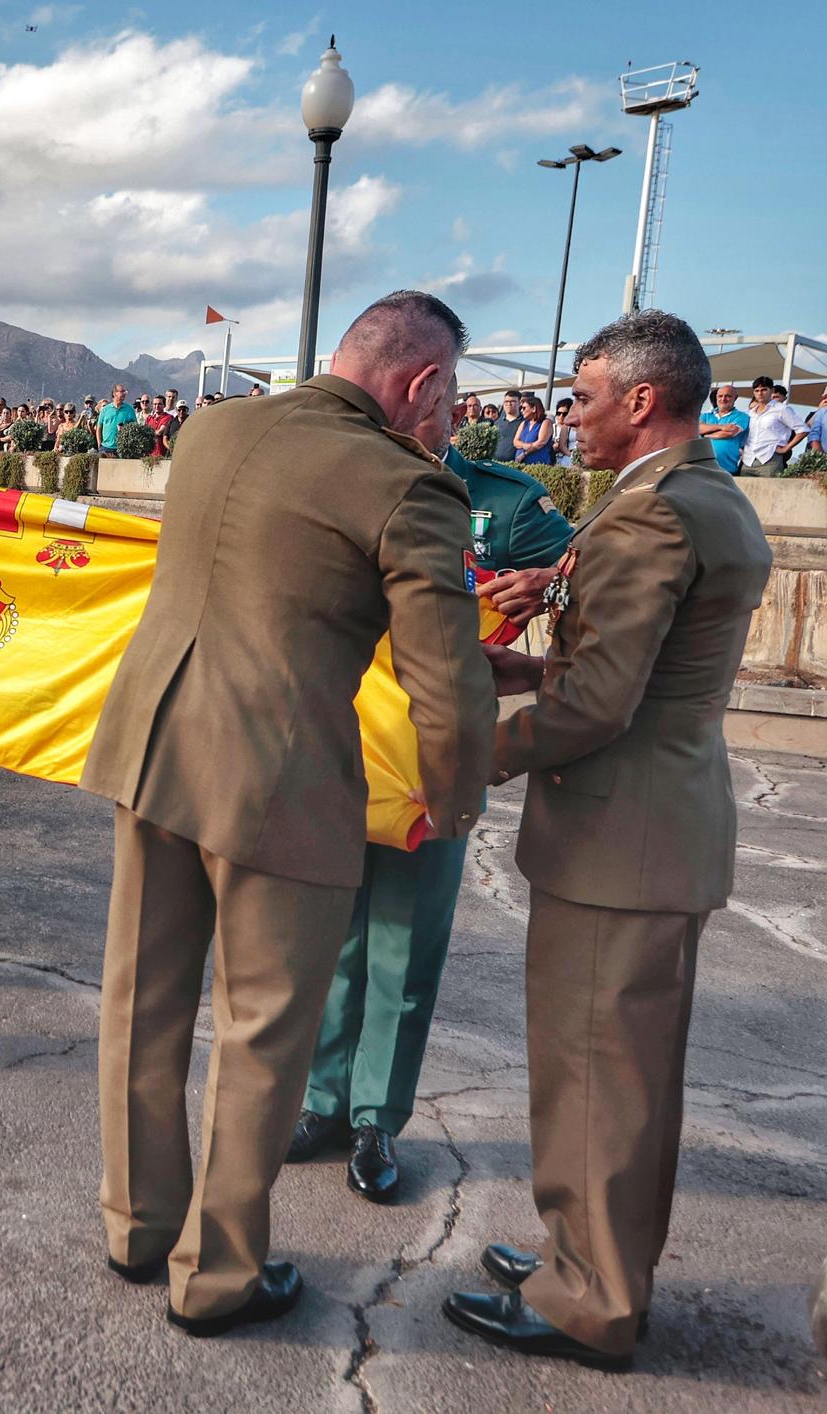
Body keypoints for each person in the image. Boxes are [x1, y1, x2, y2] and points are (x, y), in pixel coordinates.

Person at [81, 290, 494, 1336]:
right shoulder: (410, 487)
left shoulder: (216, 427)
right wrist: (447, 804)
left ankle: (136, 1226)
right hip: (280, 781)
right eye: (452, 398)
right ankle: (216, 1273)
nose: (452, 419)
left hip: (152, 751)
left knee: (141, 1000)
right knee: (262, 1034)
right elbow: (437, 683)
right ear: (422, 386)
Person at [446, 310, 772, 1370]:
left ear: (640, 400)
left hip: (619, 834)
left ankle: (588, 1299)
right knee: (612, 1073)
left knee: (598, 1076)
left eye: (580, 398)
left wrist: (468, 749)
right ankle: (577, 1254)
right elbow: (638, 669)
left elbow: (599, 709)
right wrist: (541, 649)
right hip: (653, 822)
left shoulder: (650, 520)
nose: (563, 415)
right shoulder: (684, 496)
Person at [290, 411, 573, 1204]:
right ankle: (321, 1103)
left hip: (433, 765)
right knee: (334, 939)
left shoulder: (504, 503)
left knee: (403, 950)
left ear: (438, 390)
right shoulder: (341, 481)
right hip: (340, 749)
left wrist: (551, 590)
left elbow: (609, 580)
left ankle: (378, 1116)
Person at [739, 375, 809, 474]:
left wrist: (786, 448)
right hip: (748, 460)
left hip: (770, 459)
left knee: (771, 489)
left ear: (771, 391)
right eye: (757, 391)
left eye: (764, 390)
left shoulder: (781, 409)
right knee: (743, 489)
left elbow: (803, 429)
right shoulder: (750, 413)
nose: (760, 393)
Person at [696, 385, 750, 475]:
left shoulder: (741, 416)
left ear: (735, 398)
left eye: (728, 396)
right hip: (704, 468)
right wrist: (722, 427)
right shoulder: (706, 416)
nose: (723, 399)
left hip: (727, 470)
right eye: (720, 396)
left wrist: (706, 434)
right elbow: (698, 429)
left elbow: (730, 433)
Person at [97, 384, 138, 455]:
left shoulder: (130, 409)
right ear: (114, 393)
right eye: (122, 391)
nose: (124, 393)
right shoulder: (105, 410)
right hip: (105, 448)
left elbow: (135, 428)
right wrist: (99, 444)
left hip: (122, 448)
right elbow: (99, 428)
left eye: (125, 391)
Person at [513, 394, 554, 465]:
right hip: (521, 462)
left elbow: (541, 442)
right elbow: (515, 441)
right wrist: (524, 445)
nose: (522, 411)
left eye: (524, 408)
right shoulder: (524, 423)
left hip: (538, 462)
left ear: (534, 409)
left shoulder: (545, 423)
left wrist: (525, 453)